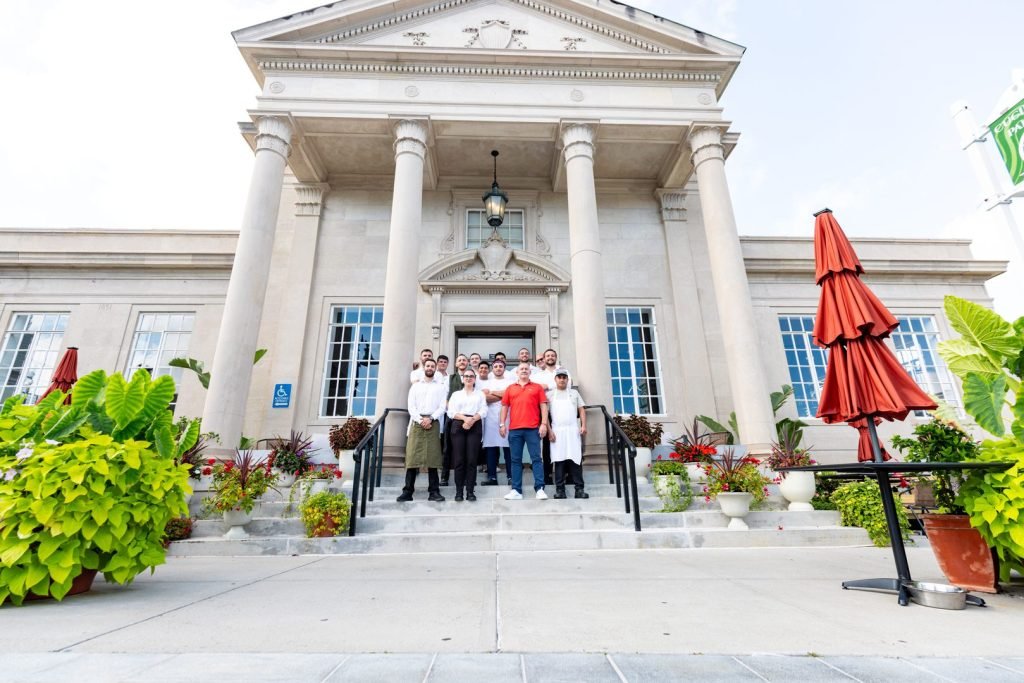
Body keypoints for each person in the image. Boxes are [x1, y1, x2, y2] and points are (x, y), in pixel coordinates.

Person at [398, 359, 446, 502]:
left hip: (433, 422)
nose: (430, 368)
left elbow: (442, 407)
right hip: (417, 422)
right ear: (424, 368)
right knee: (412, 457)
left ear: (435, 369)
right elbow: (411, 406)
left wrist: (430, 418)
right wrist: (420, 420)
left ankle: (434, 491)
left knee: (433, 458)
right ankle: (407, 491)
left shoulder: (440, 387)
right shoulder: (416, 387)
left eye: (432, 366)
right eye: (428, 366)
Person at [499, 362, 550, 500]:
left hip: (533, 429)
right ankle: (516, 490)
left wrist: (544, 424)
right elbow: (504, 407)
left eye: (526, 369)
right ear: (517, 372)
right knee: (515, 460)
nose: (524, 371)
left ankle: (539, 488)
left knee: (536, 459)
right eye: (521, 369)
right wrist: (502, 424)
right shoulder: (510, 388)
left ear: (530, 372)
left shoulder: (537, 387)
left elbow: (543, 407)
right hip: (515, 430)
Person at [546, 369, 589, 499]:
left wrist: (583, 425)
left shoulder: (574, 393)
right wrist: (549, 431)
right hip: (557, 431)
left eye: (564, 377)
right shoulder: (549, 395)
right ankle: (560, 490)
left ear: (567, 379)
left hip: (572, 430)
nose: (562, 379)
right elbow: (545, 415)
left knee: (575, 459)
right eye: (559, 377)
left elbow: (581, 409)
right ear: (555, 379)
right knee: (559, 460)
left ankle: (579, 489)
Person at [447, 368, 487, 502]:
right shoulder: (456, 394)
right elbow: (451, 411)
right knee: (459, 460)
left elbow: (484, 410)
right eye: (466, 376)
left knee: (471, 460)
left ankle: (470, 491)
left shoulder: (480, 394)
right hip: (459, 424)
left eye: (471, 376)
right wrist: (465, 419)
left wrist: (472, 420)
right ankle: (459, 491)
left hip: (475, 424)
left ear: (475, 379)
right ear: (463, 379)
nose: (469, 378)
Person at [480, 358, 512, 486]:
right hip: (490, 418)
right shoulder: (486, 382)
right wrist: (503, 395)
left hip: (508, 416)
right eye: (496, 366)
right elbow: (484, 398)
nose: (498, 368)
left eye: (500, 366)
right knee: (491, 447)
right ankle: (492, 477)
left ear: (504, 368)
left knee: (508, 448)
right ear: (492, 369)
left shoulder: (511, 382)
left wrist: (493, 393)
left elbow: (510, 395)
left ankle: (511, 476)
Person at [441, 353, 469, 486]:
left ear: (467, 363)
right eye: (460, 360)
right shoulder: (449, 378)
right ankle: (444, 477)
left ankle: (466, 478)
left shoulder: (472, 377)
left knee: (466, 449)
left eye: (464, 360)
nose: (462, 362)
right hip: (452, 417)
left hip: (468, 418)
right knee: (447, 448)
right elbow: (444, 398)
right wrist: (453, 412)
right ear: (456, 364)